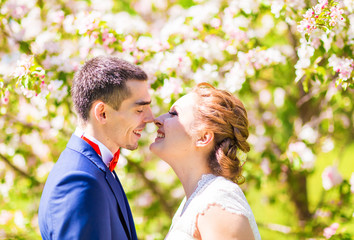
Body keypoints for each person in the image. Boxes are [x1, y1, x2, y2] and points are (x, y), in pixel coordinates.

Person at [38, 56, 154, 240]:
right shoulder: (79, 182)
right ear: (102, 113)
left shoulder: (98, 167)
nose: (150, 118)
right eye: (139, 110)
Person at [150, 83, 261, 240]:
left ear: (203, 138)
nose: (158, 119)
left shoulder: (219, 199)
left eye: (174, 114)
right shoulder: (195, 201)